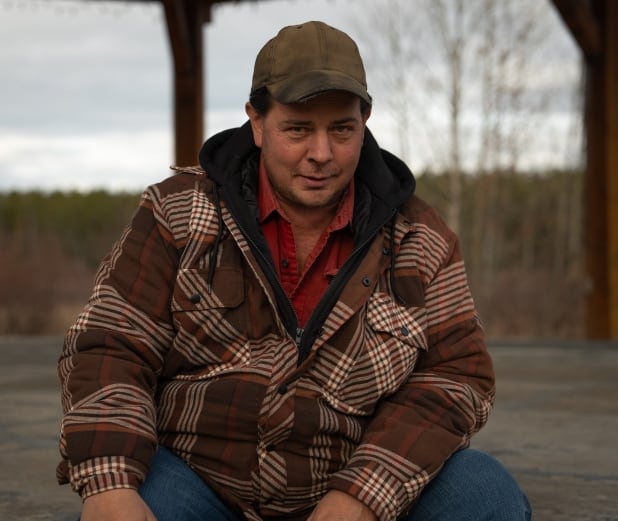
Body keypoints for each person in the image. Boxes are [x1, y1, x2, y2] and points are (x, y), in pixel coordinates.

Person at [57, 20, 531, 521]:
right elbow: (111, 343)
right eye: (298, 129)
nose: (321, 154)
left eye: (342, 130)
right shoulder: (175, 214)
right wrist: (109, 485)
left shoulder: (420, 239)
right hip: (203, 481)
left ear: (364, 121)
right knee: (139, 499)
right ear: (257, 123)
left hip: (358, 489)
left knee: (485, 495)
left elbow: (457, 377)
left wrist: (363, 494)